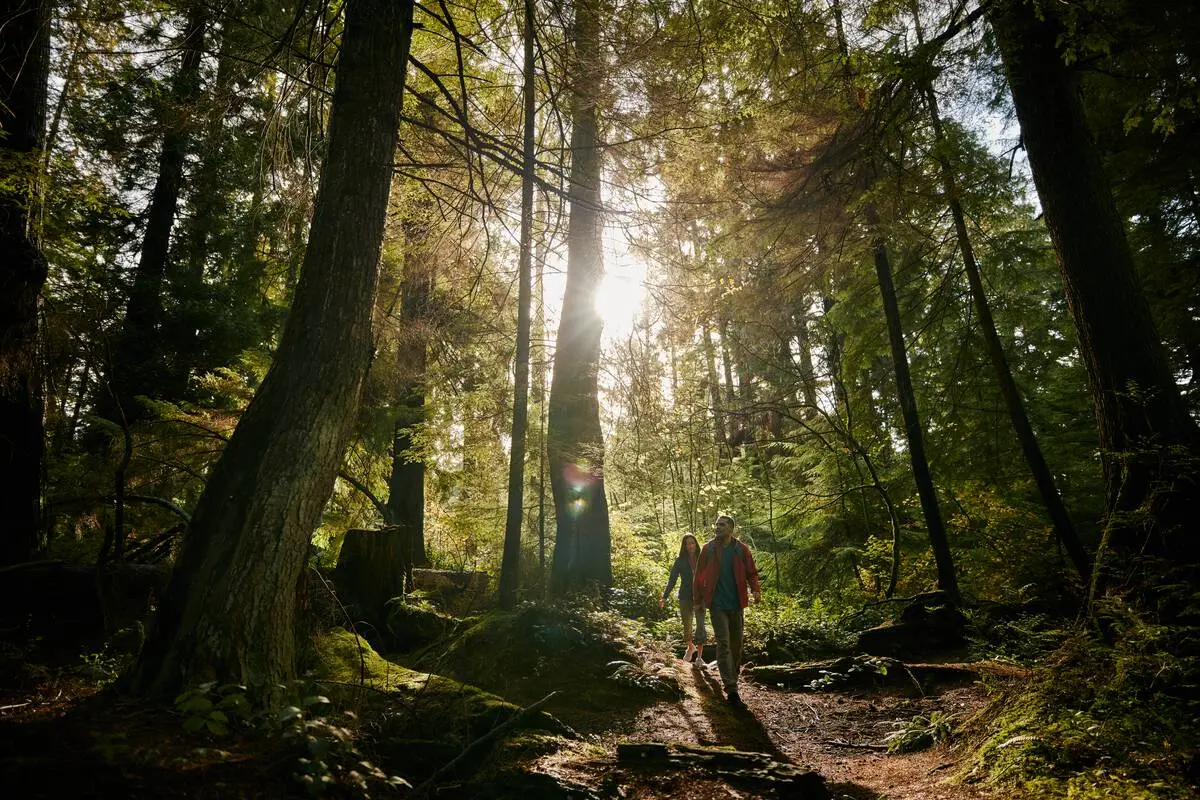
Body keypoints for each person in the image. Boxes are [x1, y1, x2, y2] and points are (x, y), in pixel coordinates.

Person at [693, 514, 761, 705]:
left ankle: (733, 676)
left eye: (722, 525)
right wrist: (697, 600)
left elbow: (751, 572)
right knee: (723, 643)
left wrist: (755, 590)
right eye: (717, 525)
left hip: (736, 604)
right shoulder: (708, 549)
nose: (718, 528)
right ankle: (731, 688)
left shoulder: (741, 549)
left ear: (731, 528)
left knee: (736, 645)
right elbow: (699, 576)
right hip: (717, 605)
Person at [660, 534, 708, 663]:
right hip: (685, 597)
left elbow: (711, 577)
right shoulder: (680, 561)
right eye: (687, 544)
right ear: (684, 546)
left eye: (692, 543)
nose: (690, 546)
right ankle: (690, 647)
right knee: (687, 625)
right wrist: (664, 597)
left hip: (700, 597)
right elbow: (672, 580)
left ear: (696, 544)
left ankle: (699, 658)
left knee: (700, 626)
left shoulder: (702, 559)